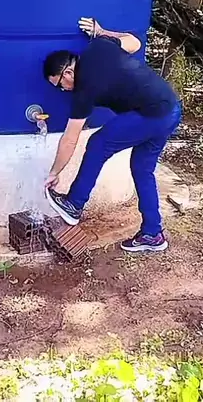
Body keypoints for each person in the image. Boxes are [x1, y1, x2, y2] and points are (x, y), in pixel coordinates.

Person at [42, 18, 182, 253]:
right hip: (172, 108)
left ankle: (74, 204)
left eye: (59, 84)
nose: (63, 90)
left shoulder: (84, 90)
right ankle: (152, 233)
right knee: (142, 168)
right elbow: (134, 42)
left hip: (152, 113)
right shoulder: (100, 45)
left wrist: (54, 173)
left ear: (68, 72)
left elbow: (70, 139)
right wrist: (102, 31)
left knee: (98, 144)